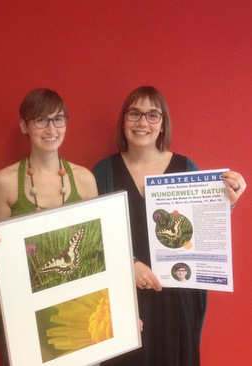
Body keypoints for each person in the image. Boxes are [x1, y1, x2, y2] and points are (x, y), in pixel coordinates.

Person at [92, 86, 246, 365]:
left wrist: (228, 203)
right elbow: (93, 241)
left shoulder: (186, 167)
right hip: (124, 302)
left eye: (153, 115)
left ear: (163, 124)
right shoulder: (102, 172)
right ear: (123, 120)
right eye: (135, 114)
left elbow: (203, 227)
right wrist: (129, 263)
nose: (142, 123)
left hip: (176, 299)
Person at [0, 88, 98, 363]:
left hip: (78, 309)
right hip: (25, 308)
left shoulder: (85, 179)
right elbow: (3, 256)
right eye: (40, 120)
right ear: (24, 125)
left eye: (58, 119)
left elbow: (97, 250)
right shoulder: (4, 181)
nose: (51, 129)